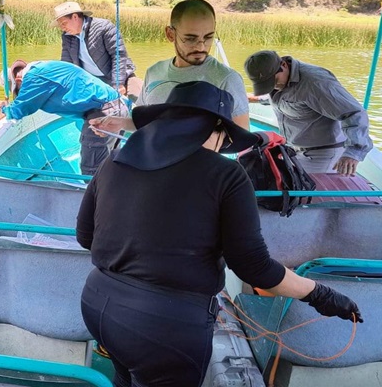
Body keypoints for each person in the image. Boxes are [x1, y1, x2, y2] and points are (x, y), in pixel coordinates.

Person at [76, 81, 363, 387]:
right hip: (166, 328)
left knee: (124, 378)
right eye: (223, 139)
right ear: (212, 130)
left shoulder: (114, 160)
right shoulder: (226, 175)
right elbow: (255, 269)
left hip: (98, 305)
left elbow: (85, 237)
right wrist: (320, 293)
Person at [244, 50, 373, 176]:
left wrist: (354, 152)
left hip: (323, 154)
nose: (272, 87)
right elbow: (292, 100)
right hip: (296, 151)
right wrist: (258, 99)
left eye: (273, 82)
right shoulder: (282, 82)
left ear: (283, 65)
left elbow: (354, 113)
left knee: (305, 195)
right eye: (266, 85)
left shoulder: (316, 82)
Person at [0, 59, 129, 176]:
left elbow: (19, 109)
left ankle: (97, 204)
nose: (21, 93)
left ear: (18, 79)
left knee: (91, 173)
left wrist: (4, 109)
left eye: (19, 90)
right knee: (110, 163)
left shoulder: (34, 77)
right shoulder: (42, 68)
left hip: (104, 112)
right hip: (116, 106)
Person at [136, 0, 250, 129]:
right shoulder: (153, 72)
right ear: (170, 34)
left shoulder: (227, 80)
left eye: (208, 37)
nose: (201, 47)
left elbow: (243, 141)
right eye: (191, 39)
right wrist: (119, 123)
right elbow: (142, 122)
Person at [52, 1, 140, 100]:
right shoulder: (67, 37)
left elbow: (119, 56)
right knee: (94, 113)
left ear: (75, 17)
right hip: (96, 82)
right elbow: (67, 65)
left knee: (138, 101)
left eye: (64, 23)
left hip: (123, 76)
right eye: (60, 25)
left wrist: (118, 84)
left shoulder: (104, 27)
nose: (62, 28)